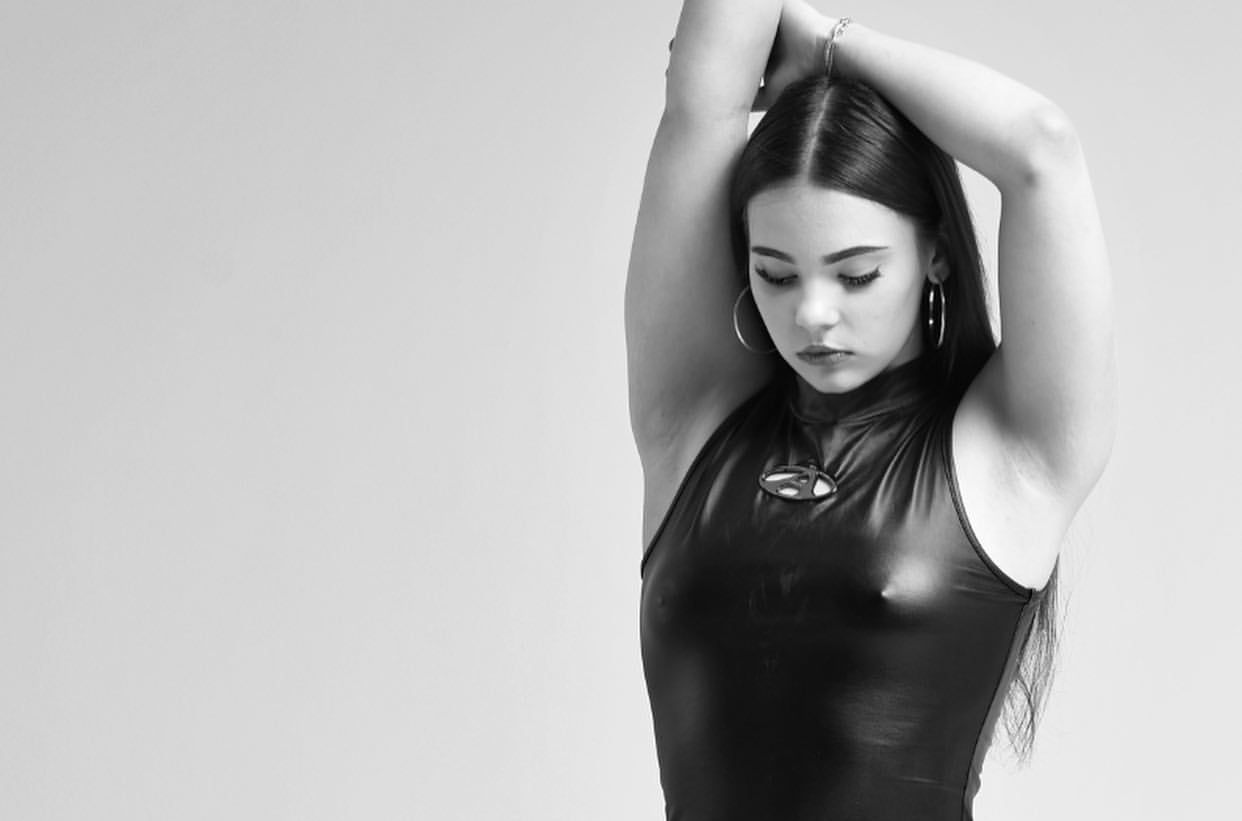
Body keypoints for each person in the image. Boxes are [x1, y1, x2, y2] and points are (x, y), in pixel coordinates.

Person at [623, 1, 1115, 818]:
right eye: (776, 274)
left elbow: (1042, 148)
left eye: (855, 275)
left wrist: (829, 46)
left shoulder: (1011, 450)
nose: (812, 313)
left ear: (936, 257)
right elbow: (701, 95)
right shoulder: (693, 418)